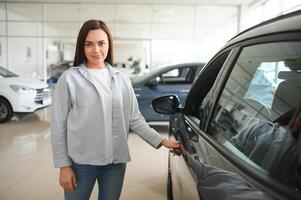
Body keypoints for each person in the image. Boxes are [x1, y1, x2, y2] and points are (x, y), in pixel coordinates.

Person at [51, 20, 180, 200]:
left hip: (115, 163)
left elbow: (134, 118)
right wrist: (64, 166)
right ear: (82, 46)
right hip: (80, 163)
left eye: (101, 43)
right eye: (89, 44)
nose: (96, 50)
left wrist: (161, 141)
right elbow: (58, 125)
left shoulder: (121, 80)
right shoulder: (69, 79)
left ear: (109, 45)